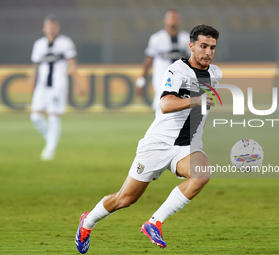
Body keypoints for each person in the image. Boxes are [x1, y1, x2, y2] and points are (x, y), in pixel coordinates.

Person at [75, 24, 221, 254]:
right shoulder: (176, 71)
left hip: (186, 146)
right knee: (125, 199)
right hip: (158, 144)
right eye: (203, 46)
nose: (208, 52)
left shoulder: (215, 74)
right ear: (191, 46)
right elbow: (165, 104)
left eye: (212, 47)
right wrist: (196, 100)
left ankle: (154, 222)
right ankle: (88, 221)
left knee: (202, 175)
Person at [29, 15, 84, 160]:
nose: (51, 29)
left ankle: (49, 151)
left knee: (53, 115)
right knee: (35, 116)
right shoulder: (39, 44)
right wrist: (32, 77)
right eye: (48, 26)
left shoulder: (65, 43)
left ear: (57, 27)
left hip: (58, 85)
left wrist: (77, 83)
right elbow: (36, 64)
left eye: (54, 26)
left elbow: (72, 64)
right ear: (44, 28)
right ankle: (50, 140)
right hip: (42, 85)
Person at [136, 9, 191, 110]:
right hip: (162, 77)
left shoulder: (186, 38)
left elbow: (193, 60)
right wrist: (141, 81)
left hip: (182, 77)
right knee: (161, 103)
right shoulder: (157, 38)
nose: (173, 20)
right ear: (165, 20)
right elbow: (148, 60)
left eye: (175, 18)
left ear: (179, 20)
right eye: (170, 18)